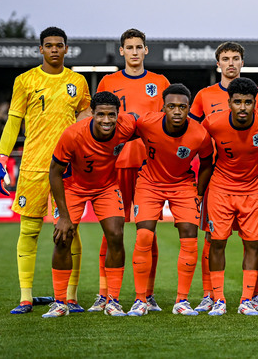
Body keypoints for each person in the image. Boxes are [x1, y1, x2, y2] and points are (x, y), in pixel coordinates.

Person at [0, 27, 91, 314]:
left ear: (66, 48)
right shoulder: (25, 81)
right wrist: (1, 158)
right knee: (30, 230)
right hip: (34, 165)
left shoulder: (78, 81)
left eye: (59, 45)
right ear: (41, 49)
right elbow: (13, 122)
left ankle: (70, 297)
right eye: (48, 45)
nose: (54, 50)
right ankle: (25, 297)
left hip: (68, 168)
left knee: (70, 230)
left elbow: (86, 119)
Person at [90, 28, 170, 313]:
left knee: (148, 231)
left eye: (139, 47)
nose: (135, 52)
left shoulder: (160, 82)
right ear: (121, 51)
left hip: (150, 165)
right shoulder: (108, 82)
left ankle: (147, 295)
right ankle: (104, 294)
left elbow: (167, 125)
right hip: (114, 163)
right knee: (111, 229)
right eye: (130, 48)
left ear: (146, 50)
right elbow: (97, 124)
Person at [189, 42, 258, 313]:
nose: (231, 63)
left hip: (252, 187)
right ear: (218, 63)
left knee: (253, 243)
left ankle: (249, 298)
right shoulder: (210, 113)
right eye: (226, 58)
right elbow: (193, 139)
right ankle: (214, 297)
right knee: (215, 241)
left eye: (236, 58)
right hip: (221, 186)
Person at [43, 91, 136, 317]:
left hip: (106, 187)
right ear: (92, 114)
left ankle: (112, 300)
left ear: (118, 115)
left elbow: (152, 127)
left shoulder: (127, 126)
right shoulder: (73, 135)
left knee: (116, 234)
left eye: (111, 115)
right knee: (63, 238)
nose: (106, 120)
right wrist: (63, 216)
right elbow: (54, 173)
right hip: (74, 187)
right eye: (101, 114)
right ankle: (59, 302)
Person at [127, 84, 214, 316]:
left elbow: (207, 163)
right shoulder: (146, 123)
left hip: (183, 186)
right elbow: (122, 132)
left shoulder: (200, 133)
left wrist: (198, 192)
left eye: (183, 107)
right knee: (144, 234)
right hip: (149, 183)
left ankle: (182, 301)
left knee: (189, 238)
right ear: (163, 107)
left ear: (189, 109)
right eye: (172, 106)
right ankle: (140, 299)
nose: (177, 111)